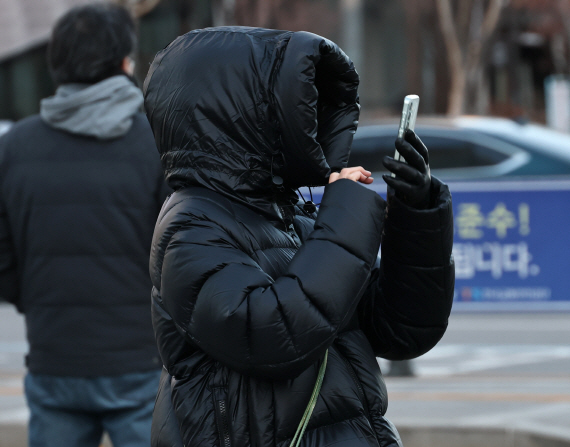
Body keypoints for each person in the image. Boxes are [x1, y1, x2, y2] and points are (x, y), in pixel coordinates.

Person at [144, 27, 454, 447]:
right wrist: (345, 215)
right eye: (295, 106)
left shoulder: (294, 217)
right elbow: (274, 336)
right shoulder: (190, 229)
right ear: (242, 118)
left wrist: (417, 214)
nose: (308, 122)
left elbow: (401, 330)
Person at [0, 4, 168, 446]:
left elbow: (3, 258)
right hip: (140, 357)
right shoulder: (155, 144)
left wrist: (34, 297)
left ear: (56, 64)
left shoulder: (14, 148)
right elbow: (177, 250)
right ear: (125, 64)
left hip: (54, 356)